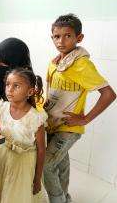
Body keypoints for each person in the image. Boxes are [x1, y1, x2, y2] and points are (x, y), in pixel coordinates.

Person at [43, 14, 116, 203]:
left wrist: (84, 119)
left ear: (79, 38)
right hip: (52, 124)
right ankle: (66, 198)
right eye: (56, 36)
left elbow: (109, 94)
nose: (61, 41)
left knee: (46, 166)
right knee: (61, 166)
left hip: (69, 127)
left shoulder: (81, 64)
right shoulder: (55, 63)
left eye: (67, 36)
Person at [0, 68, 48, 203]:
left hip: (23, 164)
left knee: (16, 196)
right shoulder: (1, 108)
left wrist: (37, 179)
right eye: (8, 84)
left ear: (30, 91)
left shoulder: (36, 118)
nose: (9, 89)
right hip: (2, 157)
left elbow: (41, 150)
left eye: (16, 86)